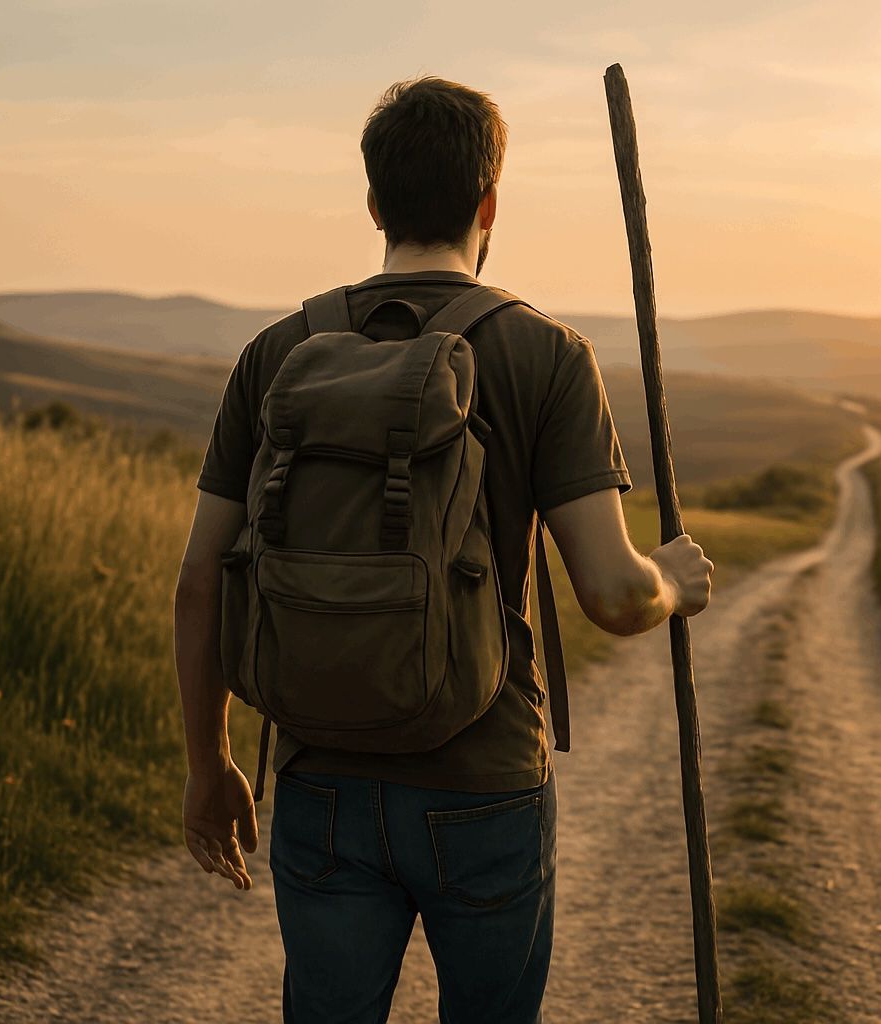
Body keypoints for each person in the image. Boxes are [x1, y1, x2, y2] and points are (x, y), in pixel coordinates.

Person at [171, 76, 714, 1024]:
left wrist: (210, 762)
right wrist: (673, 580)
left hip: (318, 775)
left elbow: (197, 584)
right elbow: (616, 598)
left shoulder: (278, 351)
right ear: (489, 202)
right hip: (485, 778)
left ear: (375, 203)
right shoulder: (546, 355)